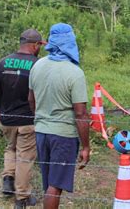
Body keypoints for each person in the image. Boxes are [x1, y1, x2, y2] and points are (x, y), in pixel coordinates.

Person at [28, 23, 90, 209]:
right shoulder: (75, 73)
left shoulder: (37, 65)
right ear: (70, 42)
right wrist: (86, 146)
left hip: (41, 132)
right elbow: (80, 113)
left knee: (49, 181)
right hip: (63, 135)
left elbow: (31, 99)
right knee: (55, 186)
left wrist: (40, 118)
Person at [0, 29, 47, 208]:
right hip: (27, 120)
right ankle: (22, 197)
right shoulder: (38, 65)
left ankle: (8, 178)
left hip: (6, 118)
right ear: (34, 45)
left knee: (10, 147)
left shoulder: (2, 63)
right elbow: (40, 94)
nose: (41, 48)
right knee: (25, 157)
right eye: (40, 45)